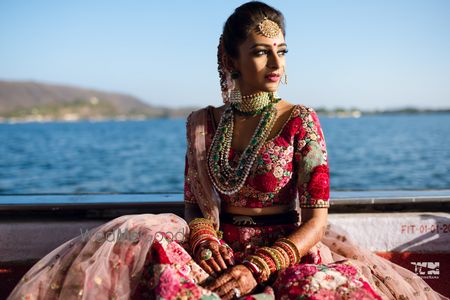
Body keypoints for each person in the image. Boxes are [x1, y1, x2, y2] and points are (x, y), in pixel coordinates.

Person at [8, 2, 447, 300]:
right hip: (217, 246)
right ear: (231, 60)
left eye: (282, 52)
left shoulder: (301, 120)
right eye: (260, 53)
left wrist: (259, 267)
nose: (276, 65)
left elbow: (317, 221)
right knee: (157, 265)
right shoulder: (204, 124)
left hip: (287, 250)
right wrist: (201, 237)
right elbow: (195, 205)